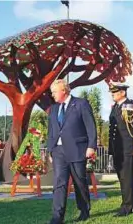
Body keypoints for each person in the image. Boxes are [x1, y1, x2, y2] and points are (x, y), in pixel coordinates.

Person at [47, 79, 97, 224]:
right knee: (59, 183)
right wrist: (51, 149)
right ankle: (57, 216)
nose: (52, 95)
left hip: (77, 149)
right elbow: (51, 131)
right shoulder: (54, 109)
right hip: (58, 151)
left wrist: (91, 146)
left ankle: (84, 210)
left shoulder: (81, 104)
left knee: (79, 182)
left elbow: (91, 127)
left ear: (64, 90)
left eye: (54, 92)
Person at [108, 82, 133, 217]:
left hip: (129, 147)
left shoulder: (132, 106)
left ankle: (127, 206)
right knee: (125, 178)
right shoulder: (115, 107)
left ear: (123, 93)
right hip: (118, 148)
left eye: (115, 92)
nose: (112, 95)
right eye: (112, 93)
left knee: (126, 178)